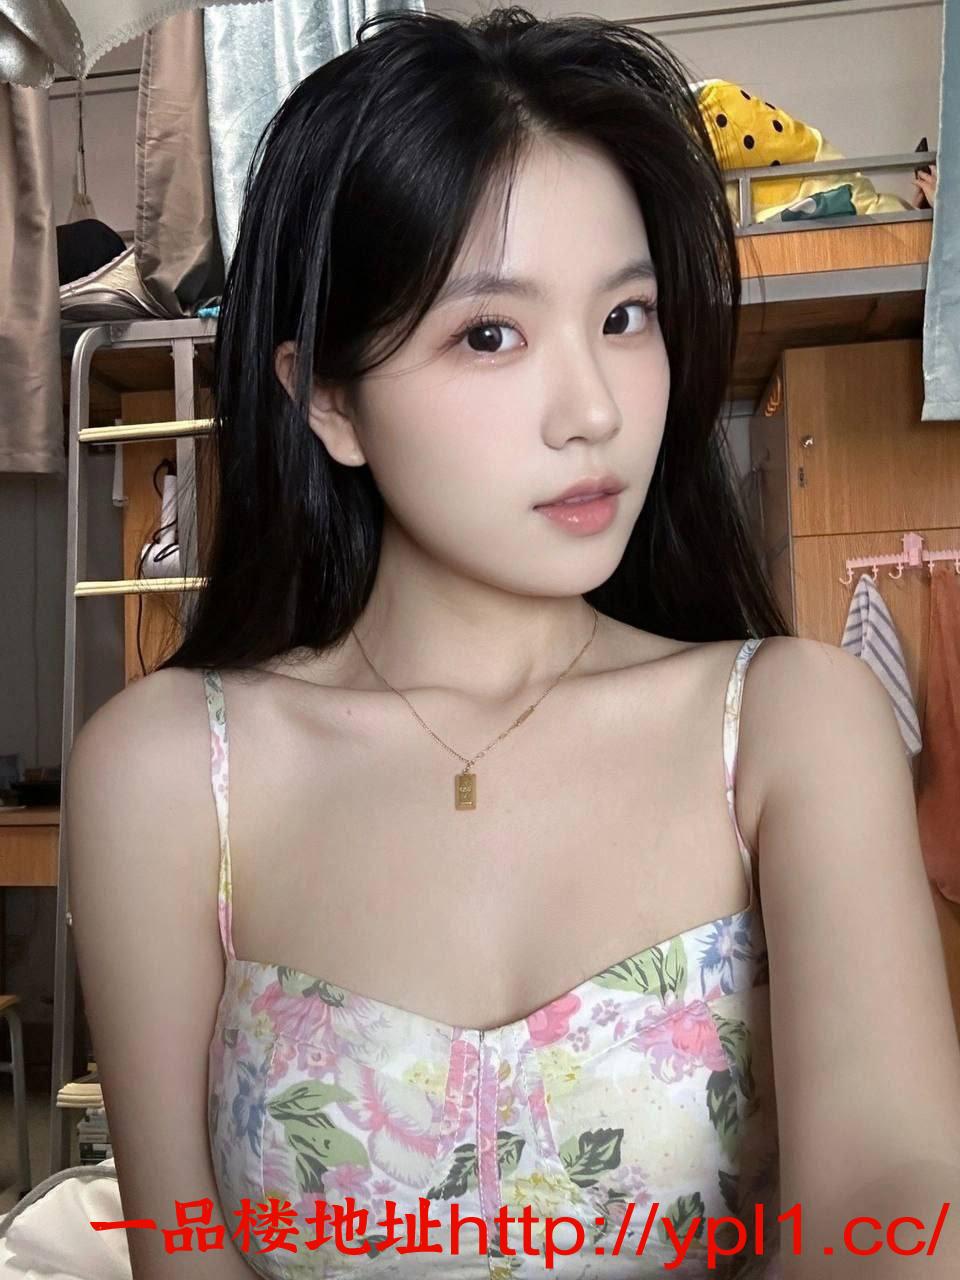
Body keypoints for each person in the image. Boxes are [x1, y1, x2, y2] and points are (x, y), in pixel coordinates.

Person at [64, 8, 960, 1279]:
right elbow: (184, 1253)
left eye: (626, 316)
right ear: (327, 396)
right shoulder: (166, 772)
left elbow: (894, 1190)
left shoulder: (791, 727)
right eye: (490, 333)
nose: (592, 409)